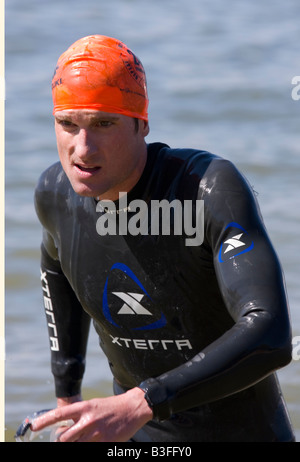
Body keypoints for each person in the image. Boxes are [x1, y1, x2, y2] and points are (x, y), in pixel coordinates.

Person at [31, 35, 295, 442]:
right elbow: (56, 268)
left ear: (142, 123)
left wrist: (142, 401)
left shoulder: (206, 189)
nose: (82, 148)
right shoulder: (55, 194)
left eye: (104, 123)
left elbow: (271, 332)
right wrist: (68, 398)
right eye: (68, 124)